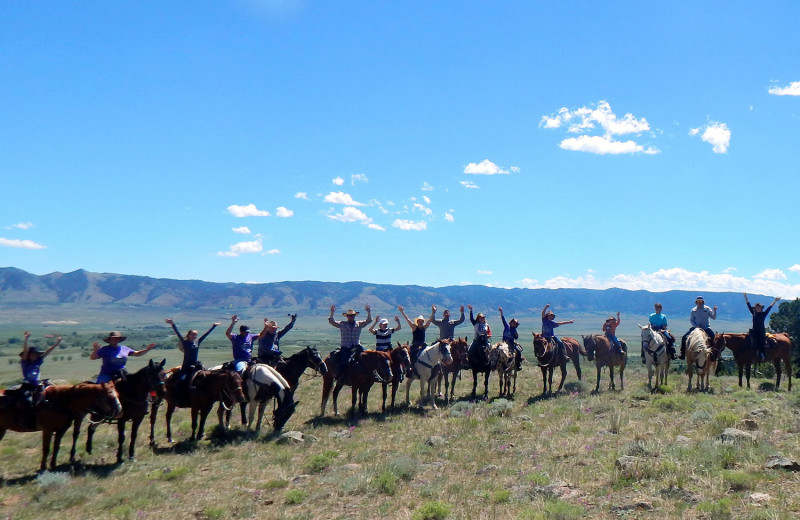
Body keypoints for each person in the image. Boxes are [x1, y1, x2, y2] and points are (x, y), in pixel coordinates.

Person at [165, 318, 219, 402]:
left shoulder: (197, 342)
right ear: (189, 335)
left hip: (195, 365)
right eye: (193, 334)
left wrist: (213, 326)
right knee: (181, 379)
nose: (195, 336)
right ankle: (178, 395)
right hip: (187, 366)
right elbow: (178, 334)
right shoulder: (185, 342)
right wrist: (173, 324)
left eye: (196, 335)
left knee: (206, 375)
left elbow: (206, 335)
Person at [17, 331, 61, 423]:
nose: (35, 356)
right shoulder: (25, 362)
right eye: (33, 354)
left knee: (50, 399)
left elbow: (48, 352)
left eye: (36, 354)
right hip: (28, 386)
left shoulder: (38, 361)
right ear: (29, 355)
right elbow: (25, 350)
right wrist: (26, 339)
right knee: (27, 401)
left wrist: (57, 343)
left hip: (37, 385)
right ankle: (26, 419)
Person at [91, 331, 156, 383]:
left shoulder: (124, 349)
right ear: (110, 340)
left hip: (122, 373)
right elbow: (93, 357)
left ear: (119, 340)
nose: (115, 340)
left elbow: (138, 353)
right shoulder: (105, 349)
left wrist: (147, 349)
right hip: (107, 374)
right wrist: (96, 350)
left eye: (117, 338)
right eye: (113, 338)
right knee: (101, 389)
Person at [328, 304, 372, 380]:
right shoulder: (342, 324)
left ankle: (372, 375)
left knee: (369, 357)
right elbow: (332, 322)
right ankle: (341, 376)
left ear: (355, 316)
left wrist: (368, 312)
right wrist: (332, 312)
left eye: (352, 316)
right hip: (346, 347)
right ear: (347, 316)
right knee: (344, 361)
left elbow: (369, 320)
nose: (351, 317)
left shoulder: (359, 324)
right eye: (349, 316)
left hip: (357, 346)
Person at [744, 293, 781, 361]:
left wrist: (774, 301)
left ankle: (762, 354)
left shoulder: (763, 314)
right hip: (754, 331)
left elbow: (769, 308)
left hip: (761, 332)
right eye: (757, 308)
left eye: (759, 308)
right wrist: (746, 297)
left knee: (760, 342)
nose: (758, 309)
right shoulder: (754, 313)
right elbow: (748, 306)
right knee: (747, 340)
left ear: (761, 308)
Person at [399, 305, 433, 377]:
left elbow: (430, 320)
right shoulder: (414, 327)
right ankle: (411, 369)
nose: (421, 322)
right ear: (417, 321)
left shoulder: (424, 327)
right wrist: (402, 312)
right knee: (411, 356)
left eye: (422, 321)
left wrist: (433, 312)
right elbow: (407, 319)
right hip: (415, 345)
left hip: (423, 345)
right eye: (419, 321)